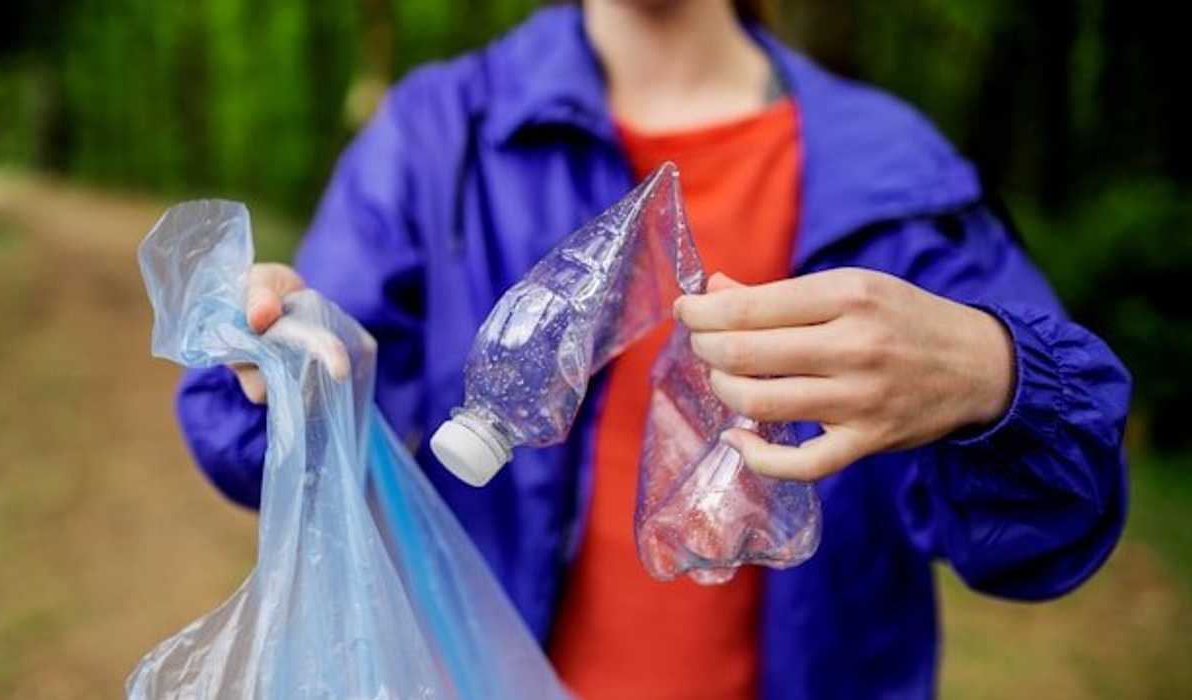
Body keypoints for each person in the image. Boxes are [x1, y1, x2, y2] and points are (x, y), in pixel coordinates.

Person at [175, 2, 1131, 698]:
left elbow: (1054, 520)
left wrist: (994, 377)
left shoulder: (891, 171)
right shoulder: (442, 138)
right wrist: (278, 359)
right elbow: (285, 456)